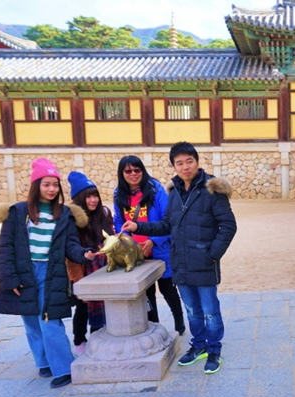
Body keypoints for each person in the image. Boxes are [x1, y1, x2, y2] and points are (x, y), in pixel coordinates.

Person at [121, 142, 236, 374]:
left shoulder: (213, 189)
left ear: (197, 161)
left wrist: (212, 254)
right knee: (192, 310)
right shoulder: (173, 193)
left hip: (204, 262)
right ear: (174, 166)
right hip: (181, 262)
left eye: (189, 161)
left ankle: (214, 348)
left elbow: (228, 225)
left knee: (210, 309)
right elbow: (166, 224)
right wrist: (138, 226)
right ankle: (199, 345)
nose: (185, 167)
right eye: (179, 163)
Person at [0, 158, 97, 389]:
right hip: (23, 271)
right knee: (30, 319)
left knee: (49, 318)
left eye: (55, 185)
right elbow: (5, 247)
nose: (51, 189)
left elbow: (70, 245)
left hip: (51, 273)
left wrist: (84, 254)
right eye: (46, 184)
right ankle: (44, 362)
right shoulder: (18, 212)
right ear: (36, 185)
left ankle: (63, 367)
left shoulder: (64, 214)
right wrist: (8, 278)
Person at [113, 155, 186, 335]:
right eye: (128, 171)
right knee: (146, 291)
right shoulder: (119, 194)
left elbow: (168, 219)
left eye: (137, 170)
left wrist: (154, 241)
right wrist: (127, 243)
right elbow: (118, 221)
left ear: (142, 170)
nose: (133, 174)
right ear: (122, 174)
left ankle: (178, 319)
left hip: (159, 248)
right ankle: (154, 324)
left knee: (168, 288)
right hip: (136, 252)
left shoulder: (155, 189)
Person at [66, 171, 114, 355]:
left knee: (103, 304)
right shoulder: (72, 219)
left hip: (103, 267)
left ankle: (99, 336)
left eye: (95, 196)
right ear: (79, 199)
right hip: (84, 269)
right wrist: (77, 281)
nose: (93, 200)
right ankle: (79, 340)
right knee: (84, 305)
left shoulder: (103, 214)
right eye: (88, 197)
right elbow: (69, 254)